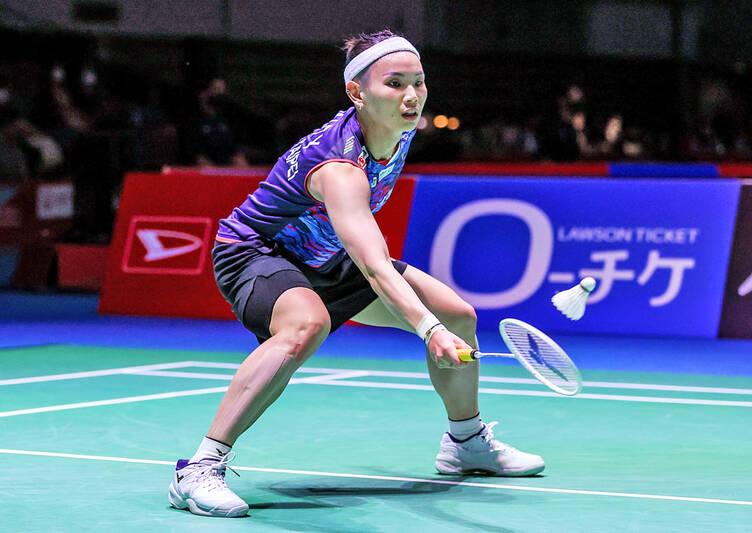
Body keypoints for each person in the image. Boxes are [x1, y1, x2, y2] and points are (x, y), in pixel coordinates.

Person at [168, 30, 545, 518]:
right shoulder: (340, 166)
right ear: (356, 93)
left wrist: (438, 324)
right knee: (307, 324)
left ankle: (466, 442)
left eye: (418, 82)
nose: (411, 96)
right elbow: (373, 263)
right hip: (255, 252)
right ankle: (198, 469)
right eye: (395, 83)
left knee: (457, 315)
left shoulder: (396, 131)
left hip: (324, 258)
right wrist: (426, 330)